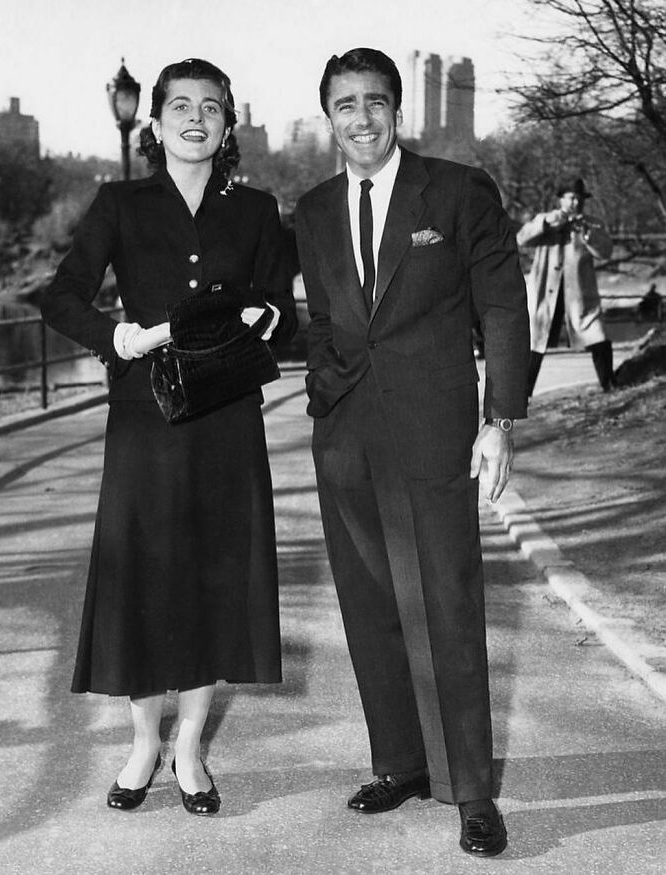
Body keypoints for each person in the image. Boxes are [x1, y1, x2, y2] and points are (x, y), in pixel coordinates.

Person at [41, 58, 295, 816]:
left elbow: (283, 304)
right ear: (153, 124)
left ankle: (189, 747)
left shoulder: (254, 210)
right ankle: (143, 742)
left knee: (214, 576)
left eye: (211, 108)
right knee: (144, 578)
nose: (195, 119)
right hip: (144, 420)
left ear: (226, 127)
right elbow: (59, 296)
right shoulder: (118, 203)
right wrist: (114, 336)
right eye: (179, 107)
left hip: (225, 419)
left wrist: (265, 316)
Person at [295, 48, 530, 858]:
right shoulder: (315, 208)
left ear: (399, 109)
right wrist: (323, 388)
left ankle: (470, 790)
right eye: (344, 104)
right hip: (346, 437)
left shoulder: (458, 192)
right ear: (327, 116)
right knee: (370, 605)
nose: (360, 118)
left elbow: (503, 305)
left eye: (374, 102)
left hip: (435, 434)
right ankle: (399, 761)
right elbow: (322, 317)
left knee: (448, 605)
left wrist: (500, 417)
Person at [517, 178, 615, 395]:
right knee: (536, 340)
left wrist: (588, 235)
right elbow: (521, 239)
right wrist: (546, 224)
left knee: (596, 334)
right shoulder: (546, 219)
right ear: (561, 199)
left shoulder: (592, 224)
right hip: (546, 293)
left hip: (578, 295)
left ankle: (609, 385)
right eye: (571, 198)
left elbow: (606, 252)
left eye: (580, 199)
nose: (576, 203)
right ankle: (522, 393)